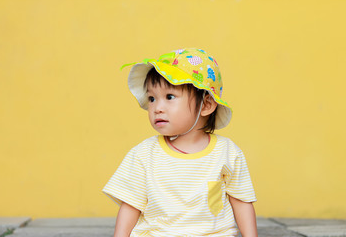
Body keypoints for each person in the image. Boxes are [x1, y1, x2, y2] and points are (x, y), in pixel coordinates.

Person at [102, 48, 257, 237]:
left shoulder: (227, 152)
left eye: (170, 97)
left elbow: (241, 201)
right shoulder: (144, 154)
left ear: (206, 104)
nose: (157, 108)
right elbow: (131, 205)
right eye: (152, 98)